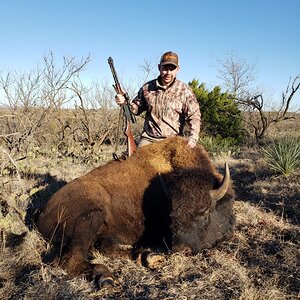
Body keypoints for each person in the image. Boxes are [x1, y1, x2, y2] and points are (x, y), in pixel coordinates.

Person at [115, 51, 201, 148]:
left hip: (174, 140)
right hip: (149, 139)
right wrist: (123, 102)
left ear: (178, 69)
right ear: (159, 67)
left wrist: (193, 138)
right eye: (165, 68)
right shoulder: (147, 88)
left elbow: (194, 116)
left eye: (172, 69)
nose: (168, 73)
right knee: (136, 161)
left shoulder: (185, 91)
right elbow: (135, 109)